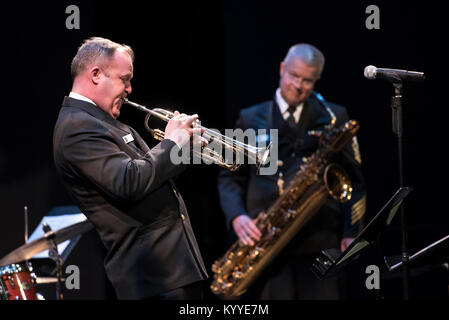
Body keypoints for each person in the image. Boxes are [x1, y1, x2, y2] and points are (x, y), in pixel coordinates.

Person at [53, 37, 208, 299]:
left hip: (172, 271)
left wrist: (186, 149)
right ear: (96, 75)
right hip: (153, 277)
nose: (130, 89)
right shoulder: (77, 128)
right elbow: (129, 182)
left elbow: (148, 173)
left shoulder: (99, 121)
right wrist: (172, 143)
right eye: (124, 79)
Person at [217, 43, 366, 299]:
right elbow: (229, 177)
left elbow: (355, 181)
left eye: (307, 80)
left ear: (317, 80)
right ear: (282, 69)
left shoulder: (334, 117)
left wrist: (352, 232)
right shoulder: (249, 117)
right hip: (267, 244)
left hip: (319, 242)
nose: (298, 85)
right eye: (294, 76)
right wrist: (237, 217)